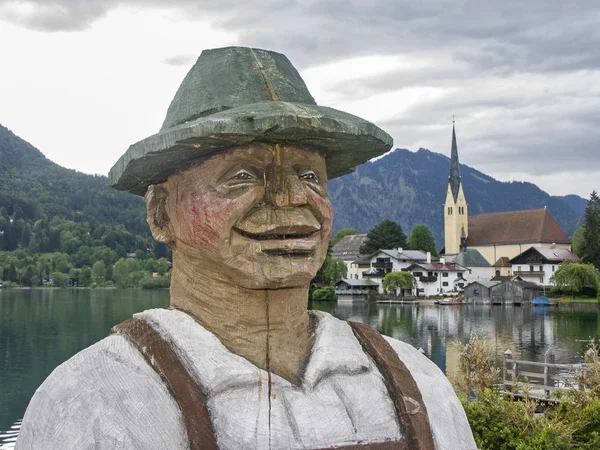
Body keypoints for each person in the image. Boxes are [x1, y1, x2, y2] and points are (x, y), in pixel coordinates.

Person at [17, 47, 476, 450]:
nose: (291, 198)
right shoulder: (92, 401)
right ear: (160, 213)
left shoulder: (418, 381)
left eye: (309, 176)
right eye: (242, 176)